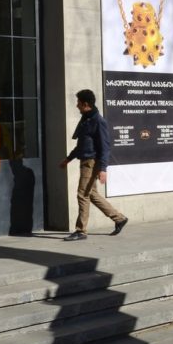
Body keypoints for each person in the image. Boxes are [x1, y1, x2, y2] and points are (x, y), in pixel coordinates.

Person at [59, 89, 128, 241]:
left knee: (82, 194)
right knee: (91, 194)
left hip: (91, 162)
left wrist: (103, 169)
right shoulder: (86, 119)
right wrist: (68, 159)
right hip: (85, 160)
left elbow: (105, 146)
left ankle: (81, 230)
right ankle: (119, 218)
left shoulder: (98, 121)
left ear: (86, 104)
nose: (76, 106)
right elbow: (82, 144)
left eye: (78, 103)